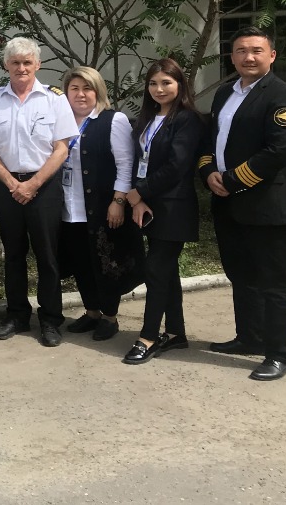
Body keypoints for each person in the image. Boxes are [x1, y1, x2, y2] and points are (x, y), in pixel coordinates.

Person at [199, 26, 286, 381]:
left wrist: (231, 180)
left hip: (268, 205)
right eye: (241, 51)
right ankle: (250, 337)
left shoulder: (283, 95)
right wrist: (209, 172)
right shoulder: (225, 93)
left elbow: (279, 151)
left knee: (275, 282)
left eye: (257, 50)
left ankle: (280, 353)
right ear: (232, 57)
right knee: (241, 275)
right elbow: (212, 139)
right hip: (229, 205)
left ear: (271, 55)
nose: (249, 57)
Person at [0, 37, 78, 347]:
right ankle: (17, 315)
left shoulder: (54, 100)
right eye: (15, 62)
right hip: (7, 186)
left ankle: (50, 319)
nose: (21, 68)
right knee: (13, 254)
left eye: (27, 62)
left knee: (47, 255)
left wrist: (33, 184)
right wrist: (12, 183)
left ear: (37, 64)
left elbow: (62, 148)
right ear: (6, 65)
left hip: (44, 187)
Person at [122, 59, 206, 365]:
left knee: (156, 269)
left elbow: (177, 166)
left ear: (180, 85)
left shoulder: (188, 119)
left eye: (166, 83)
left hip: (173, 207)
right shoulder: (147, 118)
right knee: (166, 270)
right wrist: (137, 200)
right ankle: (175, 332)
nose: (159, 89)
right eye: (153, 83)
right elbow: (138, 161)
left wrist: (140, 192)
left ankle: (147, 337)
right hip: (147, 204)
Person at [58, 66, 142, 342]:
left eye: (87, 88)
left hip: (102, 205)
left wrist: (118, 201)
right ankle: (91, 312)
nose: (80, 94)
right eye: (74, 88)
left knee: (106, 263)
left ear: (98, 91)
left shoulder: (112, 120)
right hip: (70, 207)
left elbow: (126, 163)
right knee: (81, 262)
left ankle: (109, 317)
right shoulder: (61, 121)